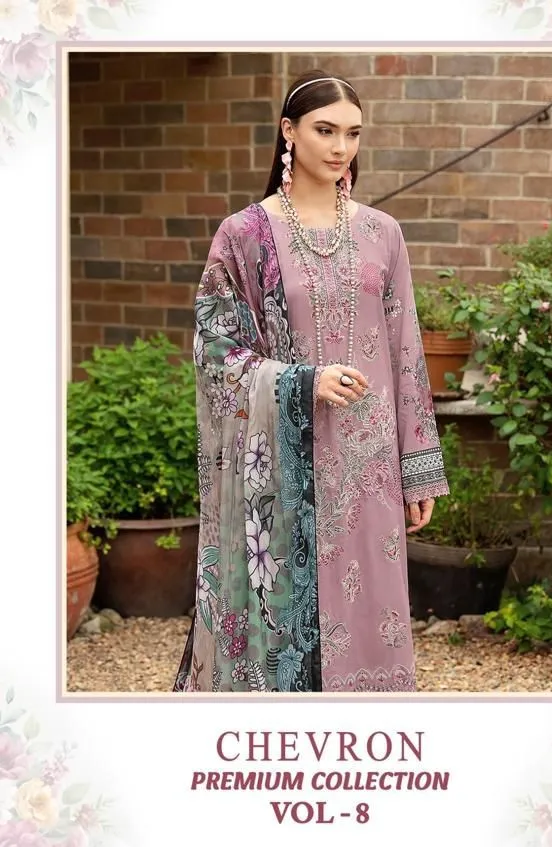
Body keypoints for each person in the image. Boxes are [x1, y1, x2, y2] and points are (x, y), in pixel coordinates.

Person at [173, 68, 449, 694]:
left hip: (368, 466)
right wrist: (301, 382)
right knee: (285, 626)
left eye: (353, 133)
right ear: (288, 132)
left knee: (370, 620)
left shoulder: (383, 233)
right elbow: (215, 349)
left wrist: (418, 469)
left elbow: (407, 353)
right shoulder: (245, 236)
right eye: (325, 130)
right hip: (281, 461)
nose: (340, 147)